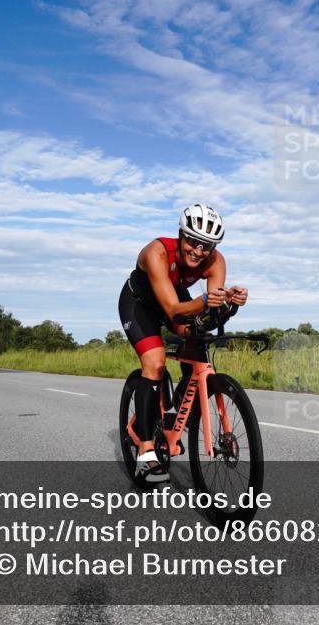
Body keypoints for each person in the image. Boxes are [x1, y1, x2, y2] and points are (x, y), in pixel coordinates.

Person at [118, 204, 248, 488]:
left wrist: (228, 305)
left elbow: (208, 315)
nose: (198, 251)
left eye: (207, 246)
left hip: (175, 299)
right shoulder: (156, 252)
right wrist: (204, 301)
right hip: (140, 305)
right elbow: (174, 310)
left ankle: (181, 407)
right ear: (180, 235)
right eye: (192, 241)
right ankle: (146, 451)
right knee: (155, 363)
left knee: (198, 337)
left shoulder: (216, 262)